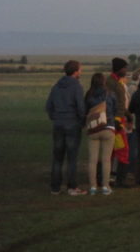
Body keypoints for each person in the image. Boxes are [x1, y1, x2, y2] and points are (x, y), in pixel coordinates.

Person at [45, 60, 87, 195]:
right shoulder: (77, 87)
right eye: (80, 70)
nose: (81, 72)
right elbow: (81, 108)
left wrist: (56, 117)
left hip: (58, 124)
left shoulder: (56, 86)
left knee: (57, 157)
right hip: (73, 125)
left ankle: (55, 187)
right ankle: (72, 187)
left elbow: (48, 106)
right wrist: (82, 121)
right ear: (75, 71)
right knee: (72, 157)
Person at [84, 73, 116, 195]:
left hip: (93, 129)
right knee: (106, 159)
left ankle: (93, 187)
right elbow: (114, 110)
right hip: (108, 127)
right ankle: (105, 186)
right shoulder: (110, 94)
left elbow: (85, 110)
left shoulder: (89, 95)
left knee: (92, 159)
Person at [106, 57, 132, 187]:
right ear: (119, 69)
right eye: (124, 68)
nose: (126, 70)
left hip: (118, 119)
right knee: (122, 150)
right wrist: (117, 120)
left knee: (111, 150)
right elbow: (111, 103)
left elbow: (121, 103)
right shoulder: (111, 83)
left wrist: (128, 115)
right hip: (116, 122)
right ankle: (120, 181)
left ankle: (107, 179)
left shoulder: (116, 81)